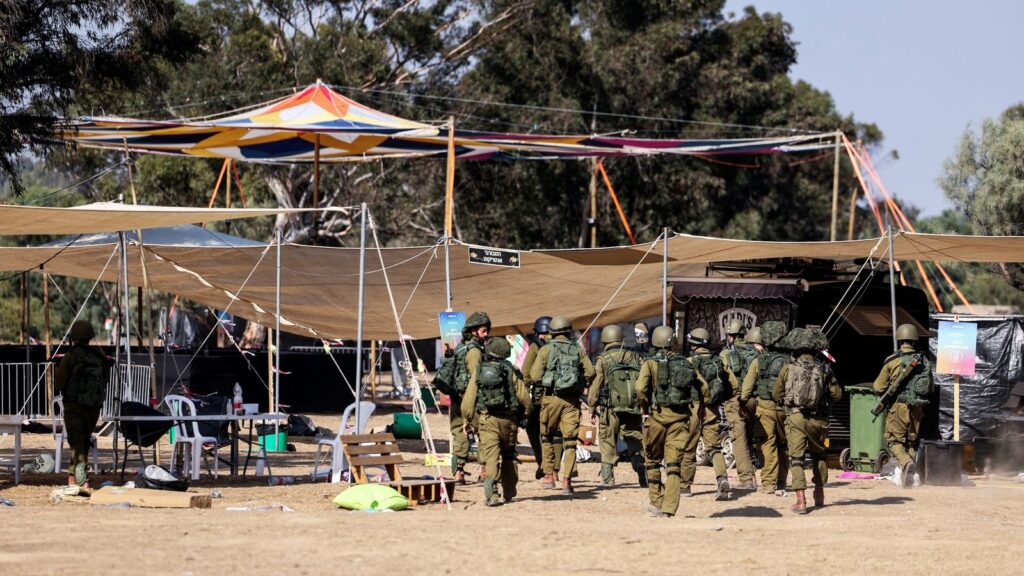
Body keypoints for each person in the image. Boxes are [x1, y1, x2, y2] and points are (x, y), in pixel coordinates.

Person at [635, 325, 707, 517]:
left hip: (656, 418)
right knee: (674, 463)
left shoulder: (649, 363)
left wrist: (645, 407)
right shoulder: (685, 362)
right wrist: (700, 406)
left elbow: (641, 388)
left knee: (651, 459)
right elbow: (704, 387)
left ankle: (657, 500)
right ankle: (669, 508)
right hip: (681, 419)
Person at [774, 328, 841, 514]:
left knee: (797, 459)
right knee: (819, 456)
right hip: (818, 420)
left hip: (796, 418)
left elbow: (776, 394)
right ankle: (819, 495)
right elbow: (837, 394)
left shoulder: (788, 368)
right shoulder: (825, 368)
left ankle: (801, 501)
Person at [462, 337, 532, 506]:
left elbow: (469, 400)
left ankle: (492, 495)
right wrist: (525, 415)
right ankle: (509, 492)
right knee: (508, 456)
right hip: (509, 421)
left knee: (490, 458)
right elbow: (525, 398)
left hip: (487, 420)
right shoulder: (511, 371)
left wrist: (467, 420)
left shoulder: (479, 371)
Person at [530, 315, 595, 494]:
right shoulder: (577, 350)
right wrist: (579, 384)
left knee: (547, 436)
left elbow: (535, 376)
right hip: (572, 401)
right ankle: (567, 481)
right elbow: (590, 372)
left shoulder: (545, 350)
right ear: (568, 330)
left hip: (550, 399)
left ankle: (549, 476)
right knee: (570, 442)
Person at [872, 323, 934, 488]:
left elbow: (878, 387)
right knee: (911, 442)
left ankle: (906, 463)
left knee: (893, 441)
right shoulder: (924, 361)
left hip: (898, 407)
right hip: (918, 407)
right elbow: (931, 387)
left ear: (899, 339)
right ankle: (909, 477)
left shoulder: (892, 360)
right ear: (914, 340)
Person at [586, 324, 645, 486]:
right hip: (633, 406)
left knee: (607, 440)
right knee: (634, 438)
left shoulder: (603, 360)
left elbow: (596, 386)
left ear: (605, 340)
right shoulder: (636, 356)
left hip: (610, 408)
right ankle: (641, 468)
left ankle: (608, 477)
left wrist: (591, 408)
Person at [54, 320, 111, 488]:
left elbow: (60, 383)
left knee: (77, 441)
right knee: (82, 441)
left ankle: (80, 479)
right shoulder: (100, 357)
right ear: (90, 336)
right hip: (93, 406)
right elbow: (105, 380)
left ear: (74, 337)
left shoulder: (70, 357)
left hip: (74, 406)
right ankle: (74, 476)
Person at [679, 327, 731, 500]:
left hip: (693, 407)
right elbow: (733, 385)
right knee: (714, 447)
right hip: (713, 408)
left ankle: (685, 487)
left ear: (693, 344)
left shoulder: (688, 361)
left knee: (689, 446)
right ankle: (722, 479)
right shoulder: (718, 362)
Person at [740, 321, 791, 496]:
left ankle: (769, 484)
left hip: (765, 408)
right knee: (783, 445)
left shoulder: (759, 360)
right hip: (786, 409)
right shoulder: (791, 361)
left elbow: (747, 387)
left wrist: (743, 403)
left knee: (767, 444)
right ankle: (782, 481)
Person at [448, 311, 490, 484]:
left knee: (459, 433)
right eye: (483, 330)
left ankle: (459, 473)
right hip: (471, 399)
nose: (486, 334)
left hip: (457, 397)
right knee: (484, 433)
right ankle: (484, 472)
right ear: (473, 331)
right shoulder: (475, 352)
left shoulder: (460, 348)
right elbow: (476, 377)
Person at [719, 318, 757, 489]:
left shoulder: (725, 354)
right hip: (755, 399)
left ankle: (747, 479)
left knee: (738, 438)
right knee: (751, 437)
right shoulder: (756, 353)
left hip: (735, 399)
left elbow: (724, 377)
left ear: (730, 336)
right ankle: (759, 476)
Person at [522, 315, 559, 480]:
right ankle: (556, 469)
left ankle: (544, 465)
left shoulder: (536, 346)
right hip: (562, 396)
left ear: (538, 332)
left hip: (541, 398)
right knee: (557, 432)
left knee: (534, 429)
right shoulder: (564, 345)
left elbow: (526, 374)